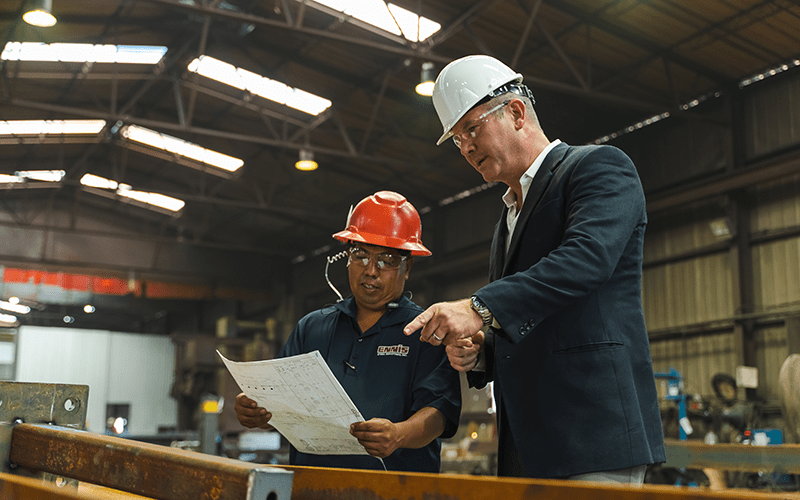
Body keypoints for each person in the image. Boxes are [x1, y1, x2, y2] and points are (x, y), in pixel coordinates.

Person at [403, 55, 666, 482]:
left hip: (591, 433)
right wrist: (480, 350)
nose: (466, 147)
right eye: (456, 138)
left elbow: (586, 259)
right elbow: (529, 318)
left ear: (516, 112)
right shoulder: (507, 218)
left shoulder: (597, 168)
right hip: (527, 441)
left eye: (472, 128)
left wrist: (479, 308)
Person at [235, 190, 461, 473]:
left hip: (394, 491)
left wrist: (398, 435)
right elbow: (279, 404)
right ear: (347, 256)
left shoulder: (425, 333)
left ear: (407, 267)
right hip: (312, 488)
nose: (371, 270)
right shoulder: (312, 328)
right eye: (360, 255)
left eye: (387, 260)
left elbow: (439, 414)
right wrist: (256, 412)